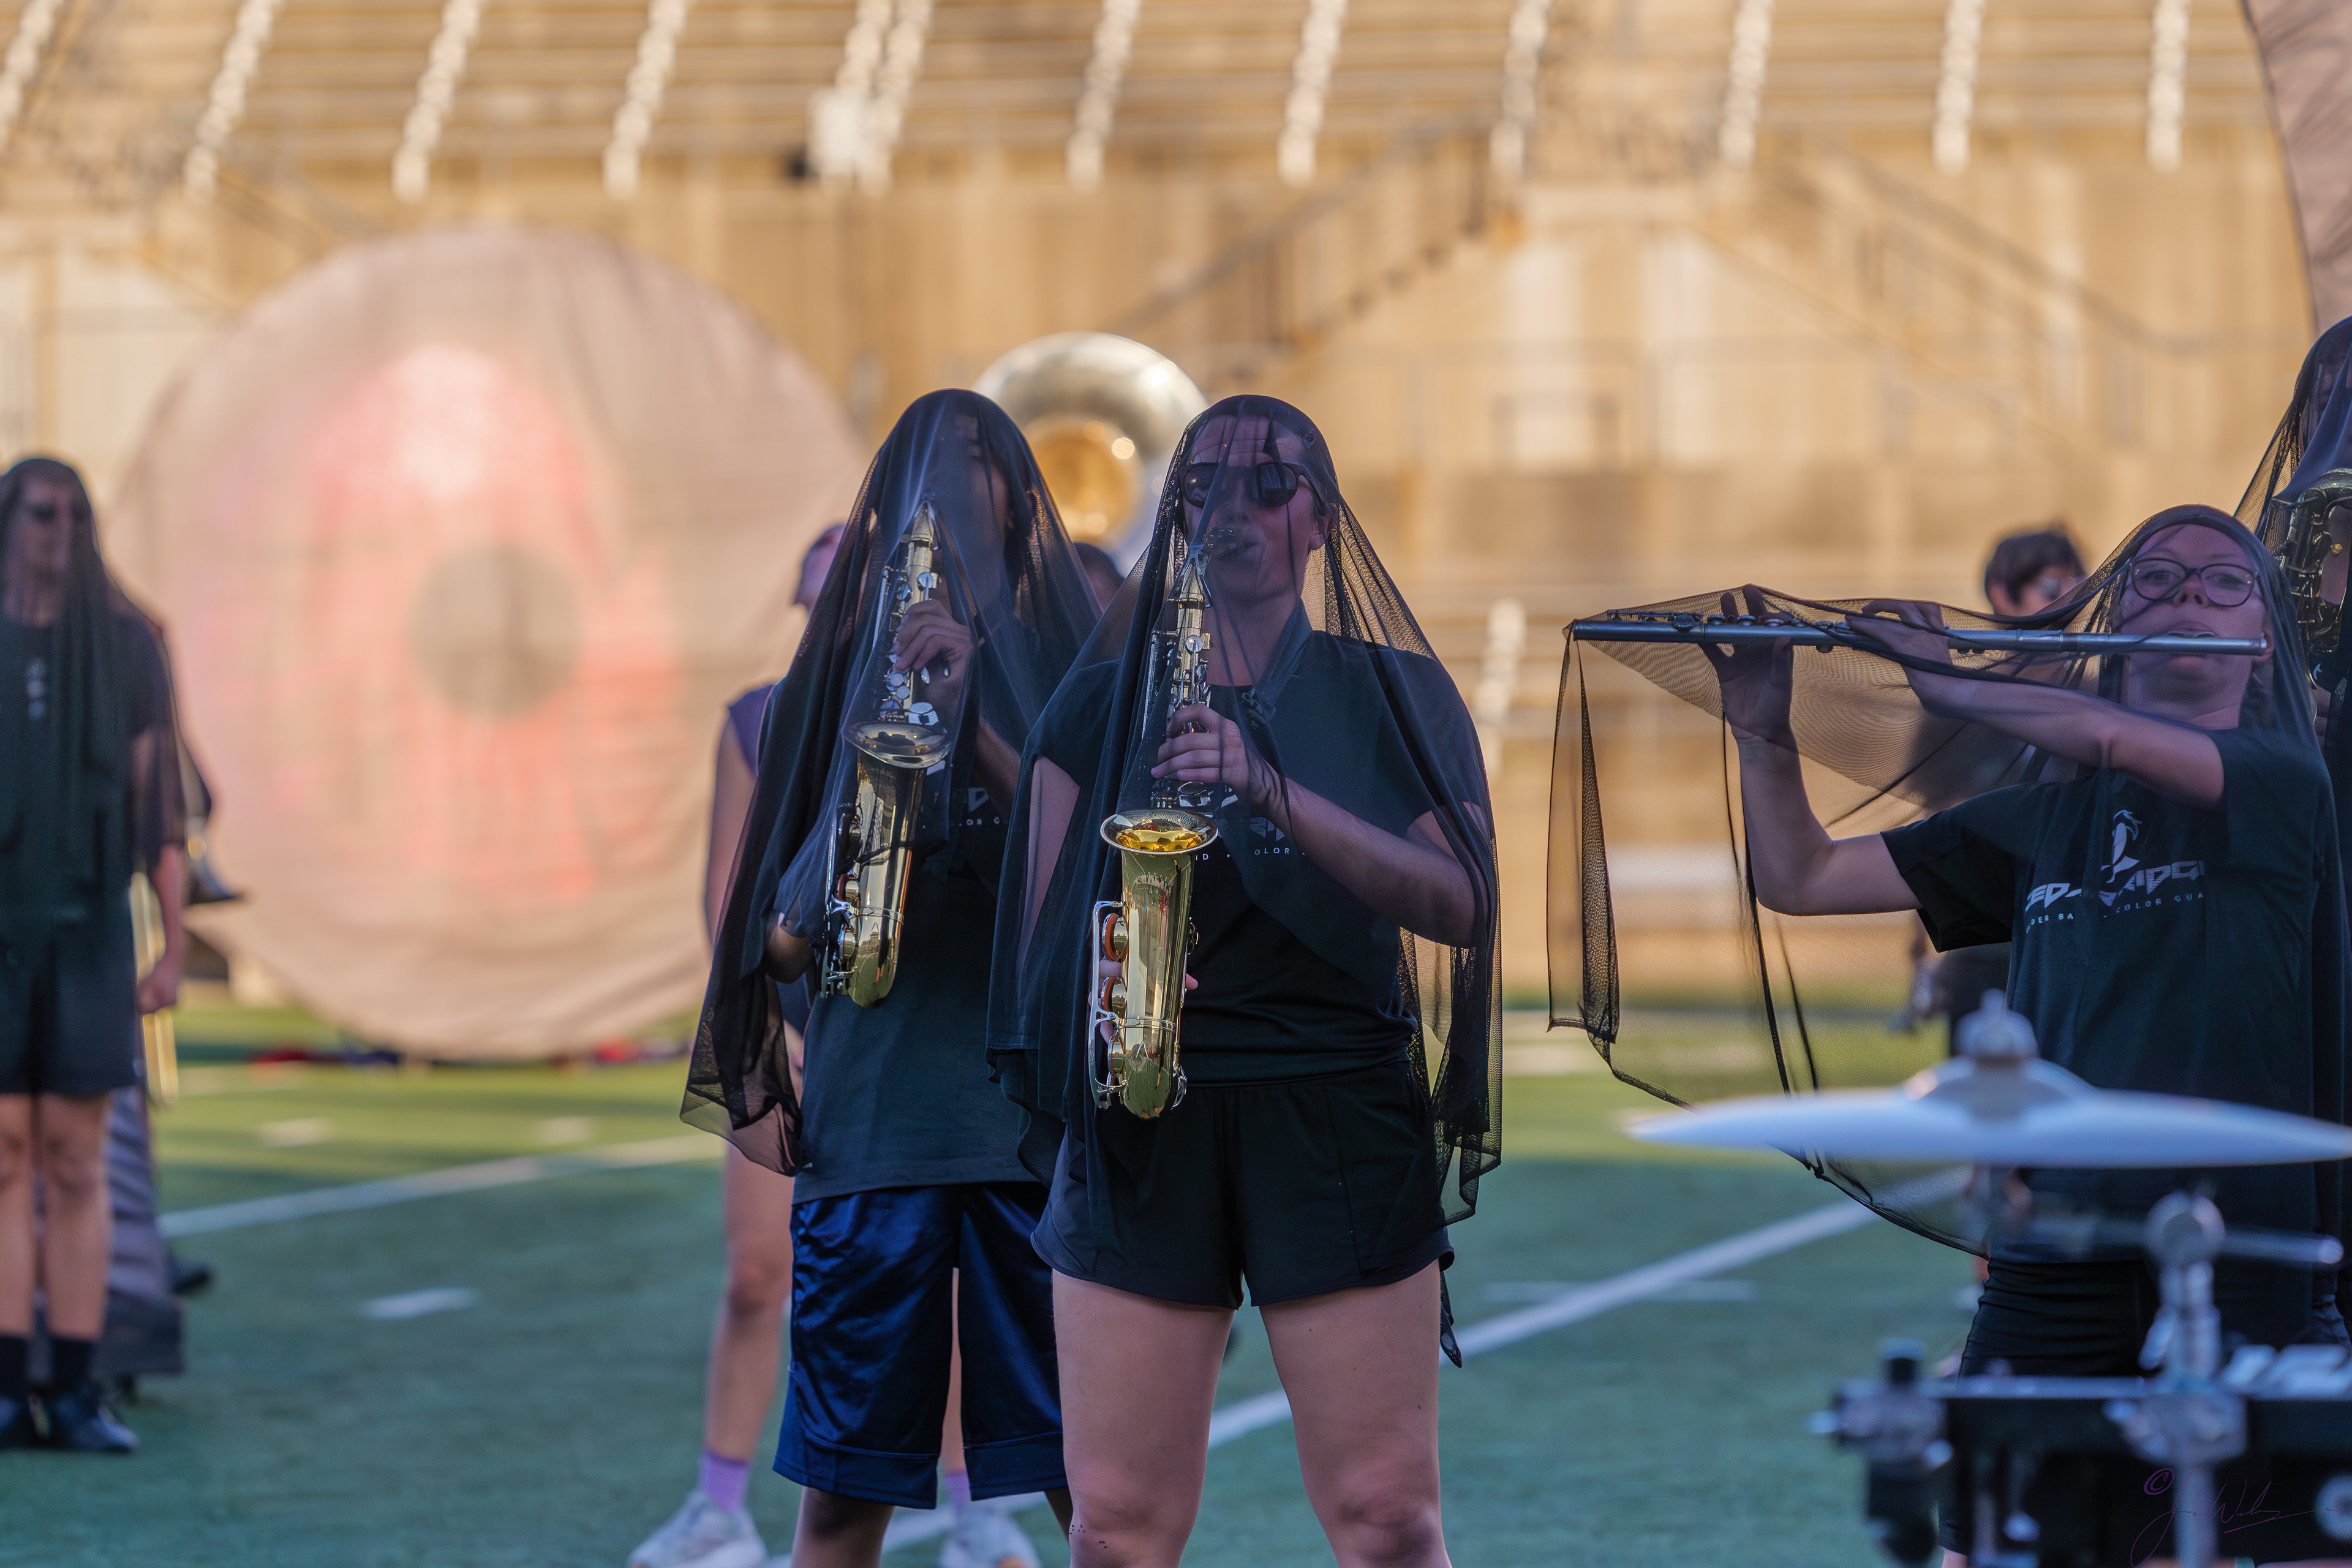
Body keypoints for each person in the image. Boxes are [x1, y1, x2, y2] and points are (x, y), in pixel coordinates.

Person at [1687, 509, 2348, 1562]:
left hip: (2240, 1245)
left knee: (2296, 1541)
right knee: (1985, 1535)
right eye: (2159, 577)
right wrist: (1764, 734)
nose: (2189, 594)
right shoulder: (2042, 818)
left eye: (2226, 583)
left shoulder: (2283, 784)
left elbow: (2113, 736)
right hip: (2060, 1244)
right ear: (2116, 616)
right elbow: (1802, 877)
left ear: (2264, 637)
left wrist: (1950, 683)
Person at [989, 395, 1500, 1568]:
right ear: (1178, 515)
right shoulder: (1098, 703)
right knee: (1116, 1529)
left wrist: (1268, 788)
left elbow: (1464, 902)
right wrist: (1101, 994)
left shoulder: (1392, 691)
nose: (1239, 506)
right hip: (1141, 1119)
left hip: (1336, 1106)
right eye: (1207, 483)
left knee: (1386, 1519)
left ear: (1321, 519)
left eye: (1273, 484)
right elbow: (1035, 942)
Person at [684, 390, 1098, 1568]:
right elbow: (774, 943)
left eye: (975, 457)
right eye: (924, 462)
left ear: (1017, 496)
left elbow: (1096, 877)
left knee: (1091, 1491)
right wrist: (871, 785)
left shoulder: (1070, 668)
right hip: (873, 1130)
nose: (950, 483)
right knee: (842, 1499)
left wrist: (971, 725)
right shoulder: (825, 689)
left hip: (1028, 1134)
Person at [630, 522, 838, 1568]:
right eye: (821, 580)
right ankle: (718, 1506)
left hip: (894, 1045)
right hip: (782, 1033)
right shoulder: (757, 718)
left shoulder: (940, 711)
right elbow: (727, 898)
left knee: (928, 1279)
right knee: (758, 1274)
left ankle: (967, 1509)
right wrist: (770, 1029)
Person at [0, 456, 187, 1455]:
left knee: (76, 1160)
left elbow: (163, 812)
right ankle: (7, 1387)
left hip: (87, 930)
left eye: (75, 515)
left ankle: (75, 1389)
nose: (57, 532)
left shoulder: (124, 645)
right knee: (4, 1155)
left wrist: (173, 944)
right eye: (41, 513)